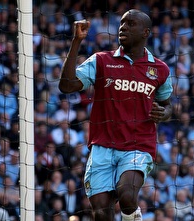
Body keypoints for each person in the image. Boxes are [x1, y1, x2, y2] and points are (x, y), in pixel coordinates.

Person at [58, 9, 173, 221]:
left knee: (127, 195)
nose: (123, 27)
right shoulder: (101, 60)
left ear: (145, 32)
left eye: (131, 24)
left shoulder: (160, 69)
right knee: (102, 213)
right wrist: (76, 42)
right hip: (102, 147)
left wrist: (163, 113)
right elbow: (66, 85)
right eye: (122, 23)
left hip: (138, 146)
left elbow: (168, 105)